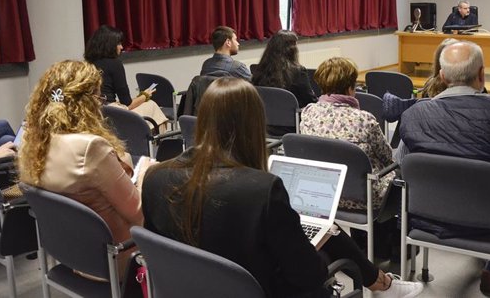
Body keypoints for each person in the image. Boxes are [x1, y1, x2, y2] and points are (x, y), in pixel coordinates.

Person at [142, 78, 422, 298]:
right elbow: (309, 276)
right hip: (260, 289)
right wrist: (308, 243)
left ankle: (381, 281)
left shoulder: (155, 177)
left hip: (191, 288)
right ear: (253, 125)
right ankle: (382, 283)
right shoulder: (262, 190)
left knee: (328, 231)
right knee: (327, 237)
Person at [398, 41, 490, 294]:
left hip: (425, 221)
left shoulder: (413, 115)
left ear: (442, 76)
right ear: (481, 75)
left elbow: (402, 166)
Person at [18, 60, 150, 273]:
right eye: (99, 97)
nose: (101, 105)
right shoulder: (89, 147)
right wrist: (146, 178)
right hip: (119, 256)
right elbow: (138, 213)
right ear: (86, 103)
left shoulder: (32, 142)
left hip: (75, 255)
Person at [300, 57, 395, 213]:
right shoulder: (364, 119)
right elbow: (388, 158)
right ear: (350, 87)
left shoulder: (308, 113)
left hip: (321, 194)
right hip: (364, 199)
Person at [84, 25, 168, 129]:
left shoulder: (87, 63)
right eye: (118, 43)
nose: (121, 47)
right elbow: (127, 103)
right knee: (152, 105)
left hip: (95, 114)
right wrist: (145, 95)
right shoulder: (115, 64)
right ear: (109, 45)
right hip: (112, 116)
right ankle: (158, 142)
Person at [252, 30, 317, 108]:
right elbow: (309, 100)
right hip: (292, 116)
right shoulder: (298, 72)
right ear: (292, 50)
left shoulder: (259, 69)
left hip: (265, 115)